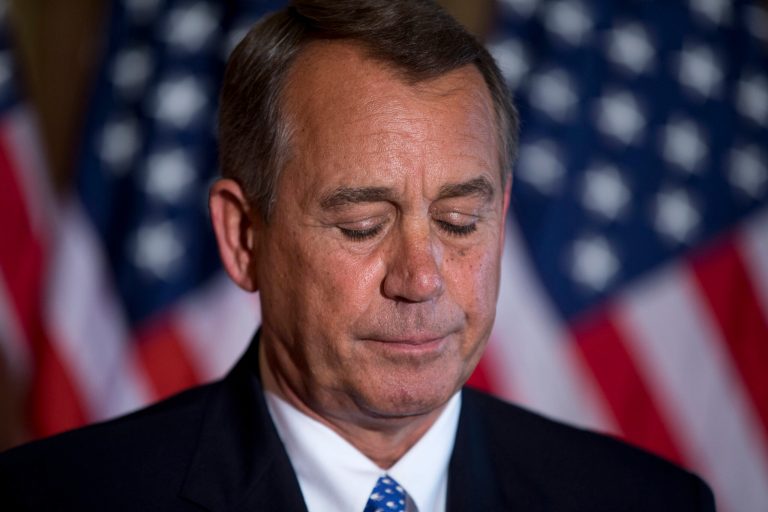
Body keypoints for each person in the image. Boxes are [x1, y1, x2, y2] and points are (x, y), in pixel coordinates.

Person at [0, 1, 715, 511]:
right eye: (363, 224)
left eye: (461, 221)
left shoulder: (647, 500)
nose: (421, 278)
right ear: (244, 238)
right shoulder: (55, 498)